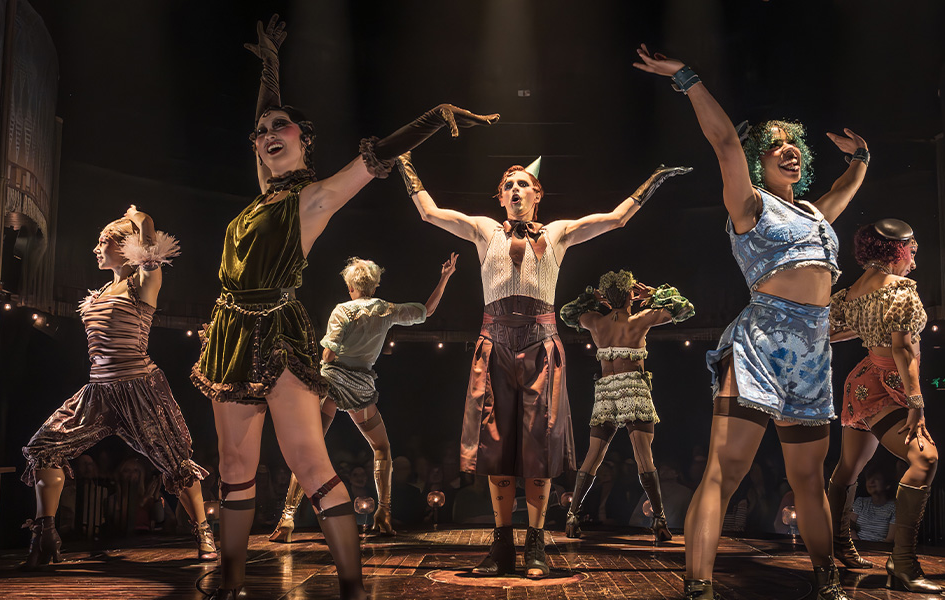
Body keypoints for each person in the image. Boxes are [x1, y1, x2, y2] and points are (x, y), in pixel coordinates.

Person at [189, 16, 496, 600]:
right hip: (230, 330)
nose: (267, 133)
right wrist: (270, 66)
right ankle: (228, 584)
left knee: (308, 459)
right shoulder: (264, 193)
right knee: (233, 464)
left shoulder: (314, 197)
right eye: (260, 131)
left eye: (281, 127)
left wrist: (433, 118)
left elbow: (377, 157)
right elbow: (268, 119)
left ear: (305, 138)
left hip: (276, 330)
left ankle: (353, 586)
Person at [634, 45, 869, 600]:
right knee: (727, 469)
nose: (788, 153)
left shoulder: (812, 213)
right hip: (762, 344)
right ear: (758, 160)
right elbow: (722, 141)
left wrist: (861, 158)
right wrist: (687, 78)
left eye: (794, 148)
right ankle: (698, 586)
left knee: (808, 478)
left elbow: (840, 192)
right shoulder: (750, 205)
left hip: (813, 354)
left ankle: (827, 580)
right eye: (775, 148)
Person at [396, 151, 689, 578]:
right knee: (495, 446)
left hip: (540, 347)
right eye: (508, 186)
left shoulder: (557, 233)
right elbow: (428, 212)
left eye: (522, 184)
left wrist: (655, 178)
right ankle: (501, 547)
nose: (515, 190)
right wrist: (405, 163)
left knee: (539, 445)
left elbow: (617, 218)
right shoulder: (483, 231)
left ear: (537, 194)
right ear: (500, 198)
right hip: (494, 343)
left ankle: (535, 545)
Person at [21, 206, 216, 569]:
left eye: (103, 242)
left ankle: (203, 531)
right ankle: (45, 532)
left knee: (176, 462)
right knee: (43, 448)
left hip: (138, 388)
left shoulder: (142, 285)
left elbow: (150, 249)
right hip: (98, 390)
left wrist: (140, 219)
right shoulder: (97, 294)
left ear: (125, 247)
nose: (95, 248)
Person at [268, 254, 458, 540]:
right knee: (381, 447)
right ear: (375, 285)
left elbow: (329, 354)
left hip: (331, 383)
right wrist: (445, 277)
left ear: (351, 286)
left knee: (310, 449)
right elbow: (427, 311)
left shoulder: (342, 311)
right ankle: (384, 512)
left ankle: (287, 518)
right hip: (361, 387)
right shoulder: (385, 310)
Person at [827, 219, 940, 593]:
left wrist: (867, 328)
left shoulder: (852, 292)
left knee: (849, 468)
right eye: (912, 249)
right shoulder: (901, 290)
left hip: (863, 382)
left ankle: (837, 545)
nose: (913, 256)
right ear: (897, 250)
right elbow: (903, 348)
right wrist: (916, 404)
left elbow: (828, 332)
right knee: (925, 459)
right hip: (883, 388)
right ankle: (903, 563)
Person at [558, 270, 695, 542]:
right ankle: (659, 520)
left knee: (594, 455)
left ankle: (572, 516)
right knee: (644, 455)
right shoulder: (640, 319)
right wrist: (654, 294)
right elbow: (684, 308)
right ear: (631, 293)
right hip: (633, 387)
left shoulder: (595, 321)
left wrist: (593, 298)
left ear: (607, 299)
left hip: (606, 389)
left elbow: (567, 313)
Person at [849, 470, 895, 543]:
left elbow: (890, 540)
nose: (871, 482)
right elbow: (850, 527)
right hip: (857, 546)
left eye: (876, 479)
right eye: (868, 479)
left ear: (887, 484)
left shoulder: (894, 507)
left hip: (880, 550)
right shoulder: (861, 502)